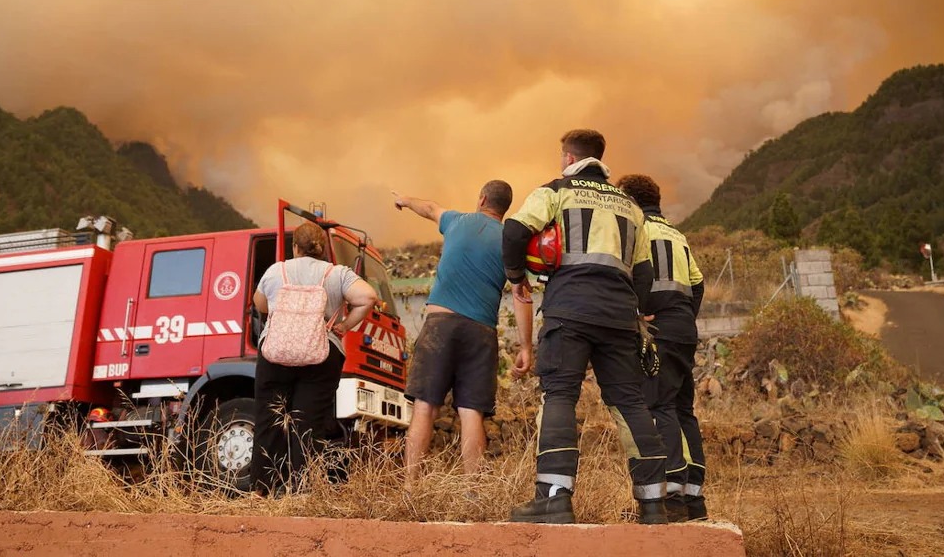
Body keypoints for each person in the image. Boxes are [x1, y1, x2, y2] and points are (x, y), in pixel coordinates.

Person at [503, 129, 668, 525]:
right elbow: (645, 271)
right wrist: (639, 310)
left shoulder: (555, 191)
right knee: (629, 402)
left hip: (570, 310)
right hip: (619, 317)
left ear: (567, 156)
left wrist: (516, 276)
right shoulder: (631, 207)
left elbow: (513, 231)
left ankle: (555, 498)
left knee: (560, 395)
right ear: (600, 158)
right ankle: (653, 505)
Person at [393, 181, 532, 487]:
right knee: (472, 413)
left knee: (425, 407)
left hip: (440, 325)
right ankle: (472, 493)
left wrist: (404, 199)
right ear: (505, 207)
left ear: (482, 198)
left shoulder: (457, 220)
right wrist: (525, 346)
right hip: (480, 332)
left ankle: (409, 488)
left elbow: (428, 207)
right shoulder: (510, 239)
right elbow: (522, 294)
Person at [250, 221, 379, 495]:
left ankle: (261, 492)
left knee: (268, 421)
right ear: (322, 248)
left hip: (277, 353)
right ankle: (304, 491)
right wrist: (343, 326)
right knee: (307, 423)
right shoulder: (337, 273)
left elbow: (259, 304)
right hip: (321, 353)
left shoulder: (277, 271)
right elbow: (368, 297)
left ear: (295, 247)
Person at [617, 173, 708, 522]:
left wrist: (642, 312)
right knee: (684, 409)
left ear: (631, 200)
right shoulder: (677, 234)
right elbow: (698, 284)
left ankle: (670, 494)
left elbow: (631, 273)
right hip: (685, 329)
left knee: (659, 406)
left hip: (659, 330)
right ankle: (693, 497)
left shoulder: (636, 227)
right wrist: (683, 314)